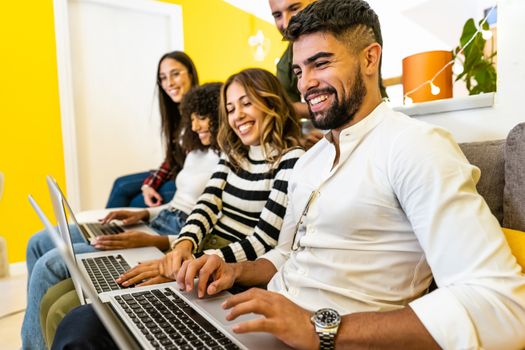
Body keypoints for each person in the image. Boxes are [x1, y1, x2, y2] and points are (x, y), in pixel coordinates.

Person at [165, 1, 525, 349]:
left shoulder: (415, 147)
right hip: (254, 320)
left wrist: (320, 330)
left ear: (370, 57)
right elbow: (287, 256)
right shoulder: (310, 161)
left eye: (320, 64)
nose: (306, 84)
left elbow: (504, 306)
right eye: (299, 71)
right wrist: (234, 271)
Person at [51, 68, 306, 349]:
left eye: (247, 103)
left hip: (227, 266)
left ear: (272, 103)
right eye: (231, 108)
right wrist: (184, 245)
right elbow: (207, 204)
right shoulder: (234, 153)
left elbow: (263, 240)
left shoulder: (291, 159)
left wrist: (190, 267)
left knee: (70, 311)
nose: (238, 116)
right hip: (200, 257)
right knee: (58, 299)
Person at [21, 82, 222, 350]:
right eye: (192, 117)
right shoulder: (195, 152)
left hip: (169, 235)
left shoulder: (226, 161)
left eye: (202, 116)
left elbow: (203, 224)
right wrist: (142, 213)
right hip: (158, 222)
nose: (195, 126)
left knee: (51, 265)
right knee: (38, 241)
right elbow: (177, 203)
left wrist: (152, 240)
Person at [106, 50, 199, 208]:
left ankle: (108, 231)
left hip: (190, 182)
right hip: (176, 174)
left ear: (190, 74)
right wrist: (149, 185)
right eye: (163, 78)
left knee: (134, 202)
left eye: (175, 74)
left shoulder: (201, 112)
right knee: (121, 185)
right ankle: (101, 231)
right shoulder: (177, 112)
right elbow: (172, 159)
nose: (169, 83)